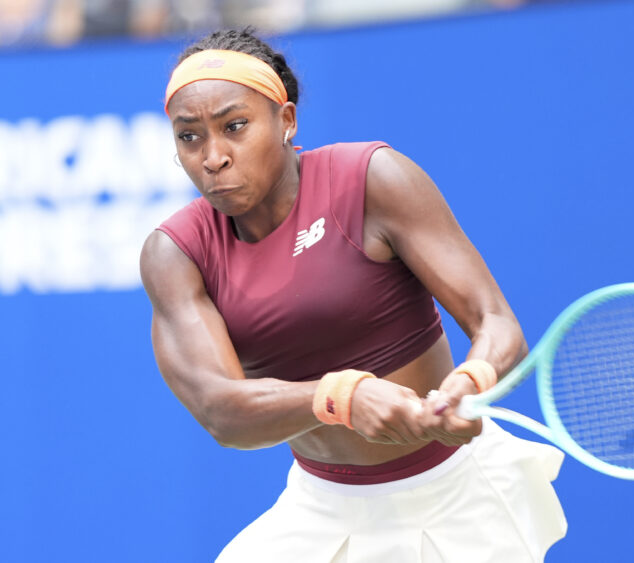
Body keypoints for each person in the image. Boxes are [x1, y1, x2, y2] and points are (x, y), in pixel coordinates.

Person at [140, 27, 567, 562]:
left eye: (235, 126)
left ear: (286, 121)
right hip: (321, 509)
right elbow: (221, 411)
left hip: (458, 495)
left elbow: (496, 322)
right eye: (190, 137)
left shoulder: (372, 179)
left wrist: (471, 379)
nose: (213, 157)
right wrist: (343, 397)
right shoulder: (175, 253)